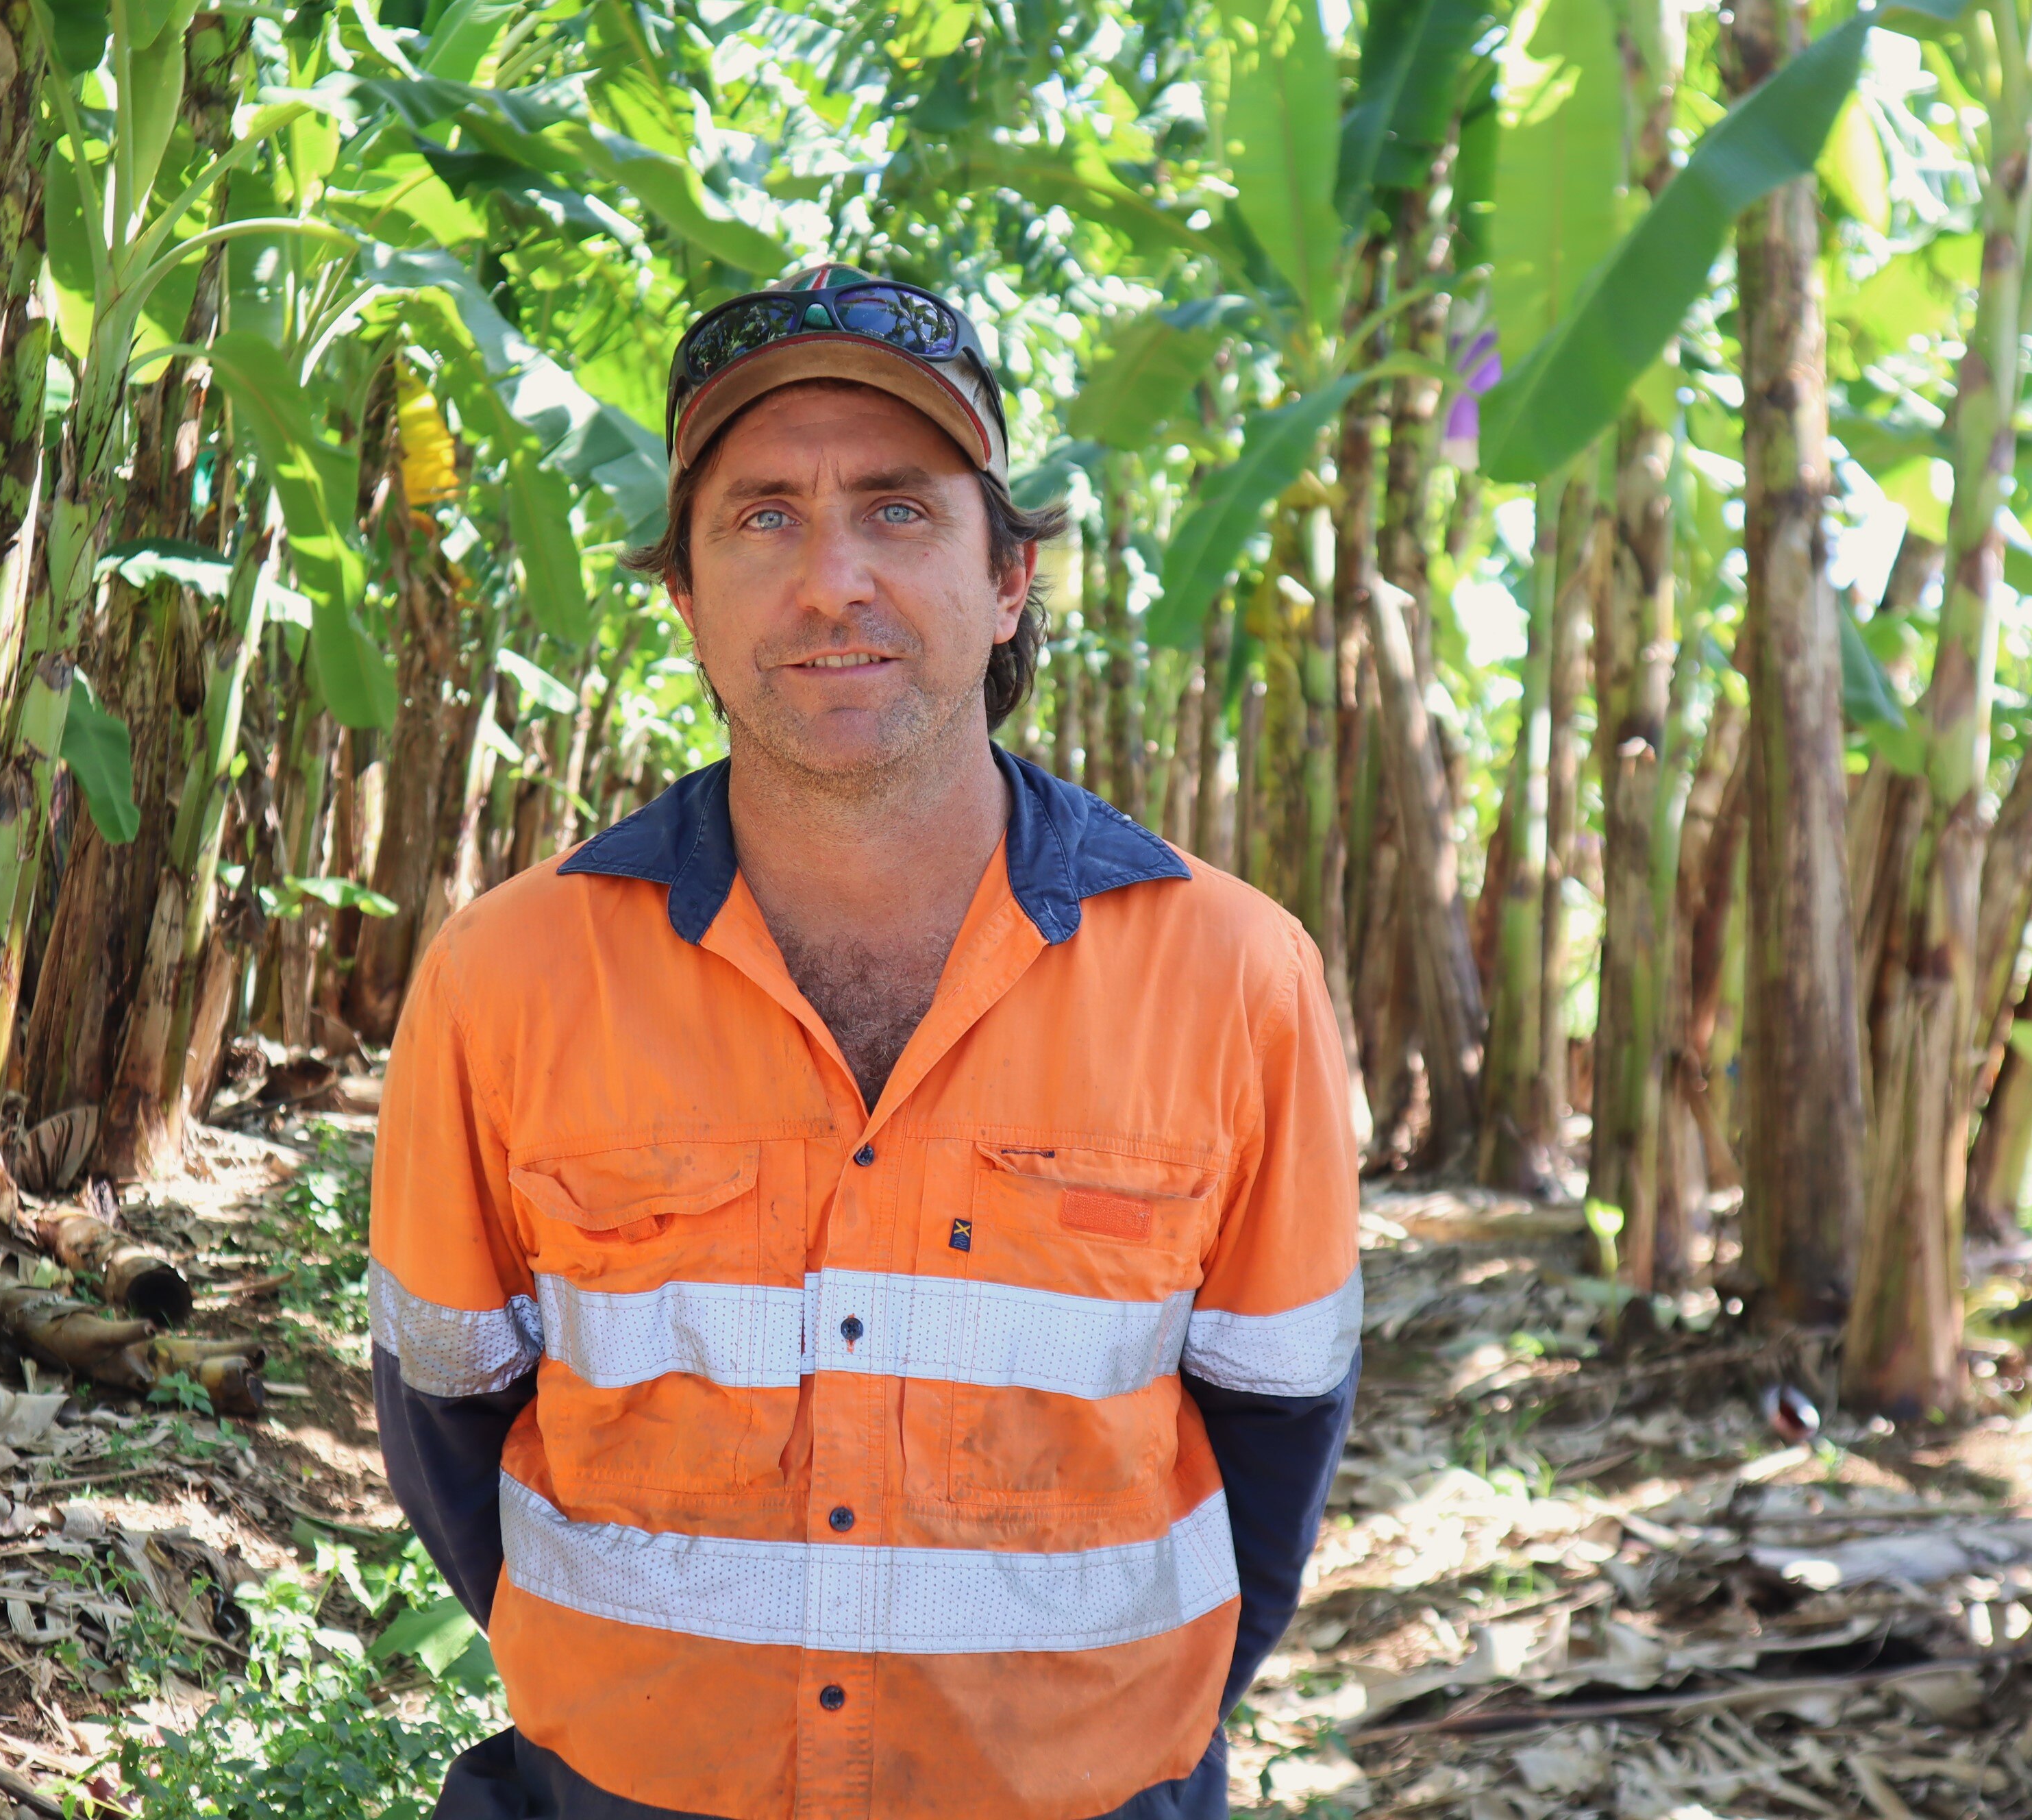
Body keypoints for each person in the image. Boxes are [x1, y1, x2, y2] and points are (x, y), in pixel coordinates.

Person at [369, 265, 1362, 1820]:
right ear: (685, 597)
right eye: (764, 517)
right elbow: (448, 1420)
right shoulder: (508, 977)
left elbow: (1276, 1440)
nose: (832, 582)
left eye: (898, 509)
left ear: (1009, 578)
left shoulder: (1236, 977)